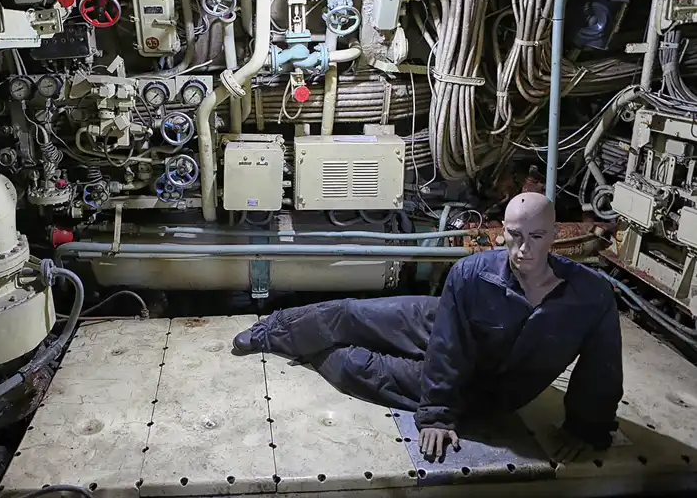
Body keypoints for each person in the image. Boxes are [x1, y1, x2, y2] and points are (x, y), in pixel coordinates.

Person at [232, 193, 623, 462]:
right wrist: (437, 413)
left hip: (479, 383)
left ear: (555, 235)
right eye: (515, 236)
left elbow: (600, 370)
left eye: (537, 237)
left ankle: (315, 352)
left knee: (356, 367)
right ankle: (275, 331)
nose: (524, 249)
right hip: (444, 323)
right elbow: (449, 342)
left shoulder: (591, 297)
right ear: (502, 232)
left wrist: (586, 428)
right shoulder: (471, 273)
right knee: (352, 314)